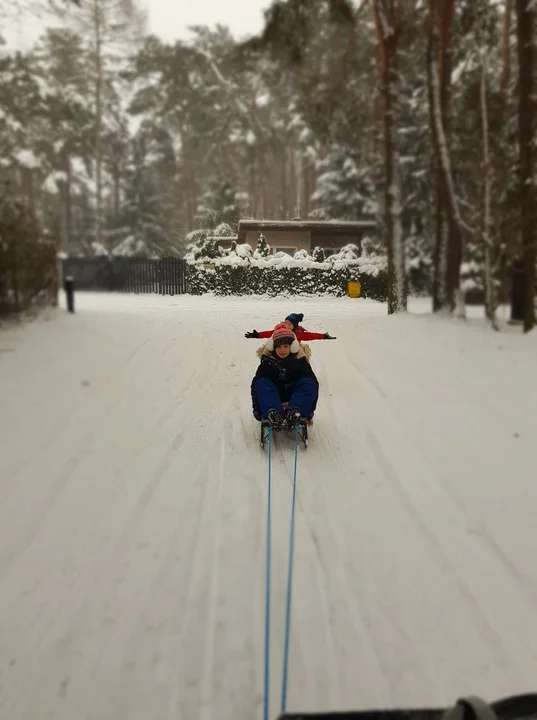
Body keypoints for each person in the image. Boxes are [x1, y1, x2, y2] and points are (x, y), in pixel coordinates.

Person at [251, 323, 319, 430]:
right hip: (273, 396)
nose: (282, 350)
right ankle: (274, 414)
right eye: (278, 347)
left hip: (294, 396)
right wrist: (257, 411)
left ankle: (295, 413)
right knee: (261, 382)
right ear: (273, 347)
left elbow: (313, 385)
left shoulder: (300, 361)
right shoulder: (267, 362)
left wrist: (310, 411)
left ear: (293, 347)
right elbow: (255, 387)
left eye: (286, 346)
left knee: (309, 382)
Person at [245, 313, 336, 341]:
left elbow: (312, 335)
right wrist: (257, 335)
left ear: (295, 326)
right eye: (285, 323)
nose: (286, 326)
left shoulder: (299, 334)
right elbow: (269, 333)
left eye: (289, 324)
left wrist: (324, 336)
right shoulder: (280, 331)